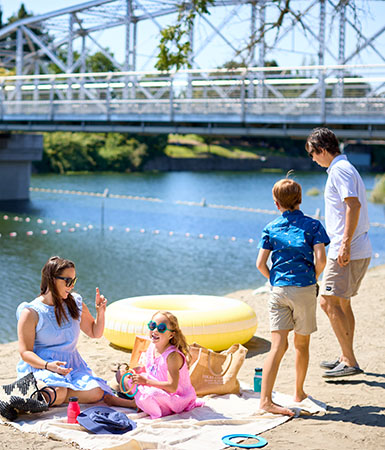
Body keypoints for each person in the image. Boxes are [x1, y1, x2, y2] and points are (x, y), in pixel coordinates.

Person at [256, 177, 329, 416]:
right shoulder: (314, 225)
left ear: (277, 203)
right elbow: (321, 261)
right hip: (304, 288)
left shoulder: (271, 227)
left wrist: (274, 281)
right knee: (301, 344)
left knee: (277, 345)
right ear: (299, 200)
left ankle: (265, 400)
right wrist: (312, 278)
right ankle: (298, 392)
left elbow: (260, 264)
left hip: (278, 290)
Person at [305, 127, 372, 378]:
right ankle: (346, 355)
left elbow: (352, 205)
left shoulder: (340, 170)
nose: (312, 159)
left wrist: (343, 243)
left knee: (326, 300)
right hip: (355, 246)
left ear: (322, 149)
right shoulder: (344, 168)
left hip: (348, 248)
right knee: (343, 303)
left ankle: (350, 361)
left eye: (313, 153)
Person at [16, 256, 112, 406]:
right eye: (68, 281)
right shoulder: (31, 312)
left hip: (72, 365)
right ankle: (36, 394)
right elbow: (25, 353)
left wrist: (101, 312)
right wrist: (48, 366)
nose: (71, 286)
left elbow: (95, 333)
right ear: (52, 279)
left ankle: (57, 394)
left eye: (74, 281)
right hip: (42, 365)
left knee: (97, 392)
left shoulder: (75, 302)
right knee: (57, 392)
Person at [104, 310, 203, 419]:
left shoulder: (172, 356)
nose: (155, 330)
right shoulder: (152, 346)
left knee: (151, 395)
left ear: (171, 335)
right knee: (123, 375)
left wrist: (145, 381)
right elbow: (152, 370)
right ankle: (139, 401)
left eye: (161, 328)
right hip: (153, 384)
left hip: (173, 397)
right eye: (152, 326)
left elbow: (172, 387)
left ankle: (132, 404)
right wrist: (137, 372)